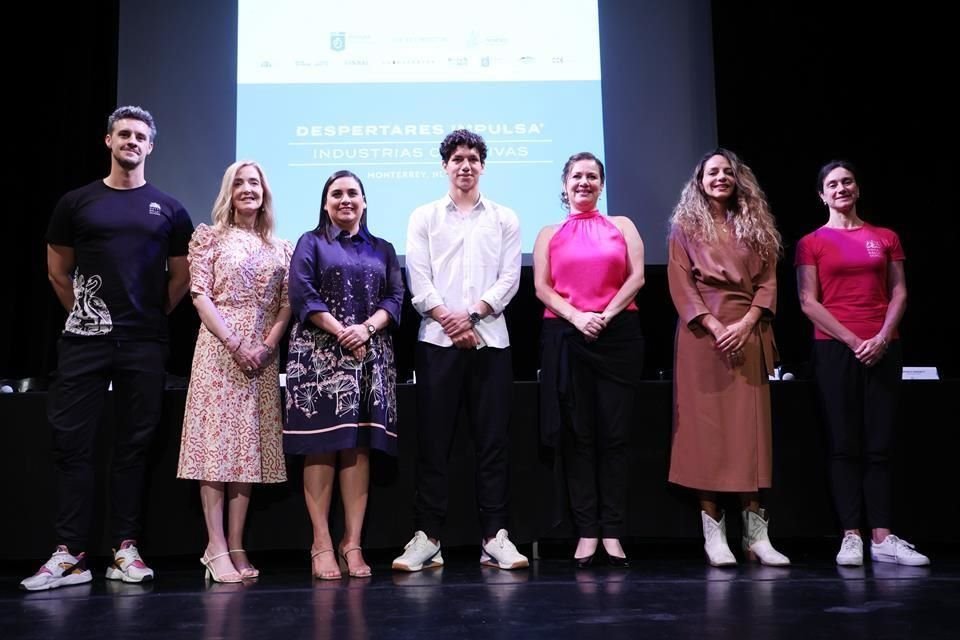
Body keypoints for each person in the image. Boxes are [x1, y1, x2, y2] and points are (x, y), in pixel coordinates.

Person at [21, 106, 194, 591]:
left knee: (134, 448)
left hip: (144, 342)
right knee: (73, 445)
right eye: (124, 134)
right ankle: (69, 554)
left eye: (140, 136)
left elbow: (180, 276)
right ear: (108, 141)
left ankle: (124, 549)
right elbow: (57, 271)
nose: (132, 141)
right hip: (83, 343)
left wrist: (150, 315)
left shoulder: (170, 209)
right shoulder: (77, 202)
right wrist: (88, 315)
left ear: (150, 146)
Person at [392, 129, 527, 572]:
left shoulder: (504, 217)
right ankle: (428, 538)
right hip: (437, 343)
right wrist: (451, 320)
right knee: (434, 443)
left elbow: (510, 278)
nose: (465, 166)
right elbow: (419, 278)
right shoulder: (425, 216)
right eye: (457, 159)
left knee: (493, 443)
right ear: (445, 166)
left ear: (482, 166)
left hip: (491, 343)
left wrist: (470, 316)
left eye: (472, 159)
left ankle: (495, 537)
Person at [796, 160, 930, 567]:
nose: (841, 188)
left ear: (858, 188)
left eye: (847, 181)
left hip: (883, 346)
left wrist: (882, 338)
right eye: (832, 184)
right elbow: (807, 301)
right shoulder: (811, 242)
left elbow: (900, 292)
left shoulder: (884, 237)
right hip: (836, 348)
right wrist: (855, 341)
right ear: (821, 195)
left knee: (879, 444)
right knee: (843, 443)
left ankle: (883, 537)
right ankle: (851, 534)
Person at [666, 148, 789, 567]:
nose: (720, 178)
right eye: (711, 172)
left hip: (748, 332)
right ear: (699, 181)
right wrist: (717, 328)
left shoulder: (757, 226)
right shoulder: (684, 227)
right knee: (707, 434)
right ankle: (713, 534)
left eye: (727, 172)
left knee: (749, 433)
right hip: (703, 336)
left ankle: (756, 535)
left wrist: (747, 323)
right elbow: (681, 286)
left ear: (738, 179)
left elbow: (769, 283)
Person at [176, 160, 293, 583]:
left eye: (255, 183)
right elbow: (200, 295)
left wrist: (266, 345)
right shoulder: (209, 238)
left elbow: (287, 303)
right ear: (229, 191)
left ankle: (237, 542)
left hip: (262, 353)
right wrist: (235, 343)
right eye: (239, 183)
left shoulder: (282, 247)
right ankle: (215, 546)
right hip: (220, 347)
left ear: (265, 192)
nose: (248, 189)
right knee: (216, 446)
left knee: (248, 449)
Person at [285, 170, 403, 580]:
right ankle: (321, 543)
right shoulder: (310, 242)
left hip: (371, 357)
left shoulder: (383, 248)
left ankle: (351, 543)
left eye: (353, 193)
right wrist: (342, 331)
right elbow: (302, 293)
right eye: (337, 194)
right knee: (321, 447)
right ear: (325, 202)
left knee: (359, 449)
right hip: (319, 358)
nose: (345, 200)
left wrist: (366, 329)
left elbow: (395, 296)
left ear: (365, 202)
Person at [533, 152, 646, 567]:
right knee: (578, 437)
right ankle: (586, 531)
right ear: (564, 185)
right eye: (576, 176)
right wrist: (579, 317)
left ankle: (613, 531)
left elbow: (637, 277)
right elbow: (543, 288)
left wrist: (605, 315)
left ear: (601, 183)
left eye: (592, 176)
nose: (584, 182)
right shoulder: (549, 232)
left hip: (617, 337)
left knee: (614, 437)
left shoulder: (622, 226)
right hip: (567, 334)